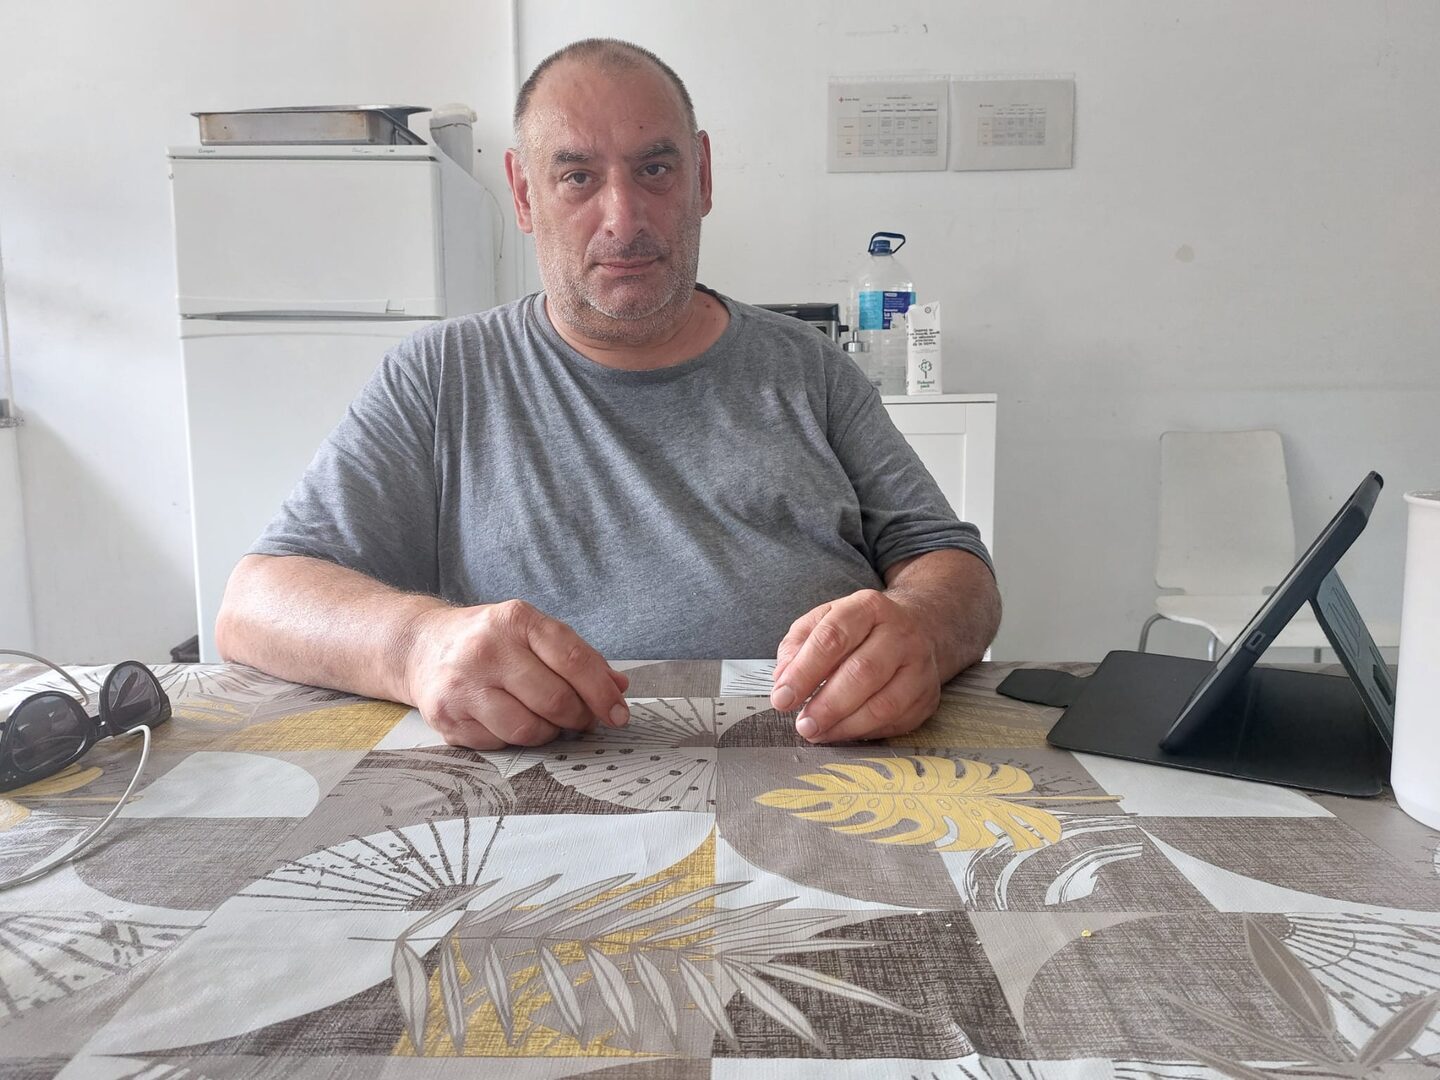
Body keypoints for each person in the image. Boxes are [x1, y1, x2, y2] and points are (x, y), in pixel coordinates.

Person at [215, 37, 1001, 750]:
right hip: (534, 797)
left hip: (829, 766)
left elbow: (955, 566)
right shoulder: (440, 376)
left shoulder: (811, 368)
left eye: (654, 170)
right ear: (524, 194)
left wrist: (920, 627)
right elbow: (254, 605)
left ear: (702, 177)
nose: (623, 218)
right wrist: (417, 645)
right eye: (577, 176)